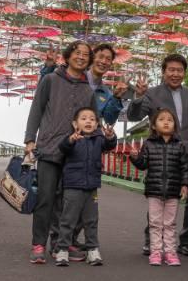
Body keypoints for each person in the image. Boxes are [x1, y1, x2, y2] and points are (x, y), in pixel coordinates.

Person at [128, 53, 188, 257]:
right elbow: (134, 116)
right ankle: (152, 239)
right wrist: (139, 97)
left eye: (180, 70)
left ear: (184, 72)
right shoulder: (152, 93)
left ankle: (186, 240)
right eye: (171, 70)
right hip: (162, 150)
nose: (175, 74)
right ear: (164, 72)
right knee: (161, 194)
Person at [24, 41, 96, 264]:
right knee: (45, 199)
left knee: (66, 203)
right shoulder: (50, 80)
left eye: (85, 55)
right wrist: (29, 140)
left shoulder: (88, 90)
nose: (81, 57)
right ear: (68, 56)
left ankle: (59, 244)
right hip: (48, 148)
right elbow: (36, 108)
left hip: (75, 154)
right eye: (77, 53)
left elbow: (94, 122)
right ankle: (39, 244)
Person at [55, 107, 117, 267]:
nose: (88, 121)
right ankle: (62, 250)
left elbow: (109, 145)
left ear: (97, 124)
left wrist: (110, 137)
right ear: (75, 124)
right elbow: (63, 148)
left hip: (91, 187)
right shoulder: (72, 139)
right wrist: (70, 140)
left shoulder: (99, 140)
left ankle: (92, 250)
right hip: (72, 186)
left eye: (92, 119)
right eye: (83, 118)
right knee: (68, 219)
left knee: (91, 220)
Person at [129, 108, 188, 267]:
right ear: (154, 125)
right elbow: (143, 165)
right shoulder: (148, 144)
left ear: (174, 126)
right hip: (154, 191)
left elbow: (185, 167)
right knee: (155, 223)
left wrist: (185, 184)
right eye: (162, 119)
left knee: (170, 224)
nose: (166, 122)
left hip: (173, 190)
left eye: (169, 120)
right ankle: (156, 251)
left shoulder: (180, 145)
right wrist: (135, 157)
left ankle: (170, 252)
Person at [42, 43, 128, 125]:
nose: (103, 61)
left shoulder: (106, 94)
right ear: (92, 58)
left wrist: (116, 97)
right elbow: (43, 92)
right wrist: (48, 68)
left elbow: (109, 120)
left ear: (110, 64)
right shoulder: (71, 77)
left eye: (108, 59)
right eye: (100, 57)